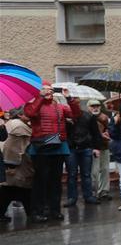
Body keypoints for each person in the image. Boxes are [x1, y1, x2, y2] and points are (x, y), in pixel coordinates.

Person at [24, 84, 81, 222]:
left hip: (58, 147)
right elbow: (30, 114)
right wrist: (40, 97)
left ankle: (54, 210)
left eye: (50, 89)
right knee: (40, 181)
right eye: (44, 89)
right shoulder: (33, 103)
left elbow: (76, 115)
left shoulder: (59, 106)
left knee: (55, 181)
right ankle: (37, 211)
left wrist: (69, 99)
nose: (48, 91)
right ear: (39, 91)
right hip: (40, 148)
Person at [63, 98, 103, 207]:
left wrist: (96, 147)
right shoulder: (66, 117)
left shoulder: (88, 116)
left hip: (85, 147)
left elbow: (95, 133)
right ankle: (72, 197)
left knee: (86, 174)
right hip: (71, 148)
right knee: (72, 174)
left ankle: (88, 196)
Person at [0, 108, 33, 222]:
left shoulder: (12, 124)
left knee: (13, 189)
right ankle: (30, 212)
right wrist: (11, 165)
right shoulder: (19, 127)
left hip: (14, 163)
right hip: (16, 163)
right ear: (20, 115)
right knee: (17, 188)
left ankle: (30, 211)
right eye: (27, 114)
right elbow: (12, 147)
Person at [89, 100, 112, 200]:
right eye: (93, 106)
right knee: (94, 171)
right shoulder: (87, 117)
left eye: (97, 106)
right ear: (89, 107)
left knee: (105, 169)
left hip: (104, 146)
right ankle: (94, 193)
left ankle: (104, 192)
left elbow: (110, 129)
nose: (95, 108)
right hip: (93, 147)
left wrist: (107, 133)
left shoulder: (105, 117)